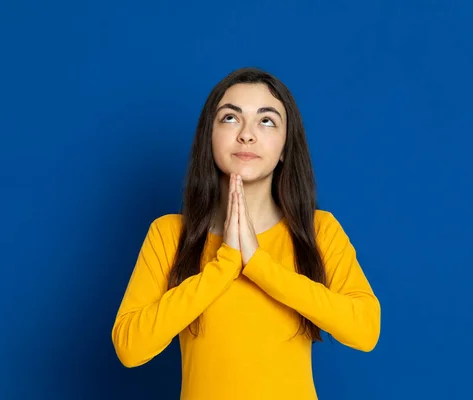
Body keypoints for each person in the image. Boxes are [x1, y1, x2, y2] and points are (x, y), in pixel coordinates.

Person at [111, 67, 381, 399]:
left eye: (266, 121)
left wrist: (260, 264)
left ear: (284, 148)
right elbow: (130, 347)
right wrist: (224, 265)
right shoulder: (169, 234)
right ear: (208, 137)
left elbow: (365, 330)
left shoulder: (318, 230)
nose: (247, 135)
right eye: (230, 118)